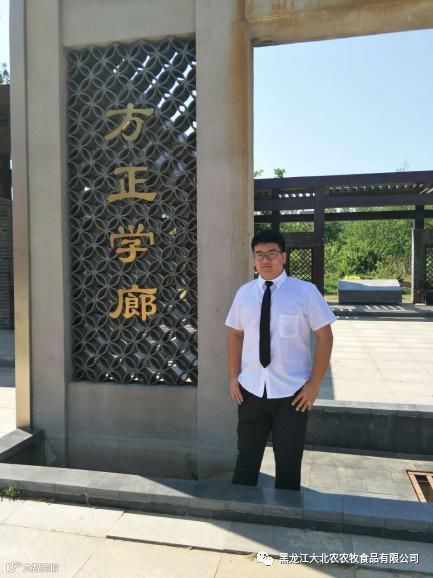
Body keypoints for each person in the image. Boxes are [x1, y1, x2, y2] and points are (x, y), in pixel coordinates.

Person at [225, 229, 336, 490]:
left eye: (272, 254)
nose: (265, 260)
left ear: (283, 256)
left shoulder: (305, 292)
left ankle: (286, 514)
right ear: (253, 259)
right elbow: (235, 334)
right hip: (251, 391)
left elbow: (325, 337)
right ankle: (241, 510)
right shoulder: (244, 293)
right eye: (259, 255)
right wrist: (233, 375)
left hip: (293, 395)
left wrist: (314, 384)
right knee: (246, 460)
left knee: (288, 464)